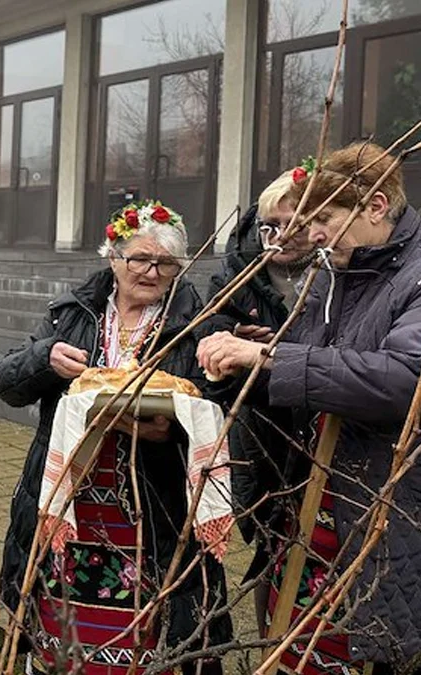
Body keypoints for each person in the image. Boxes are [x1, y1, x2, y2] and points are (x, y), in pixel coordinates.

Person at [199, 143, 421, 674]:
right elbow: (309, 374)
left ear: (374, 205)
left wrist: (272, 357)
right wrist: (246, 371)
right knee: (299, 652)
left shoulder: (415, 277)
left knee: (367, 647)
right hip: (311, 508)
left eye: (324, 217)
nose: (312, 233)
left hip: (382, 514)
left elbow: (405, 381)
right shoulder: (332, 276)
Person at [0, 201, 230, 675]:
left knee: (145, 631)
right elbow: (6, 383)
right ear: (113, 257)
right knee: (62, 629)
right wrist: (44, 359)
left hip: (150, 514)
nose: (150, 271)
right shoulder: (72, 315)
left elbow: (211, 405)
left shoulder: (196, 324)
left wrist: (168, 432)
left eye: (165, 263)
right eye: (139, 259)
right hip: (69, 507)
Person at [197, 171, 315, 636]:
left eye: (295, 224)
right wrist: (226, 347)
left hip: (325, 438)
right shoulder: (235, 276)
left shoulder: (336, 277)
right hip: (262, 439)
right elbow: (206, 343)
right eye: (270, 225)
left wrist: (279, 355)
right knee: (271, 548)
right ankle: (272, 644)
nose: (281, 236)